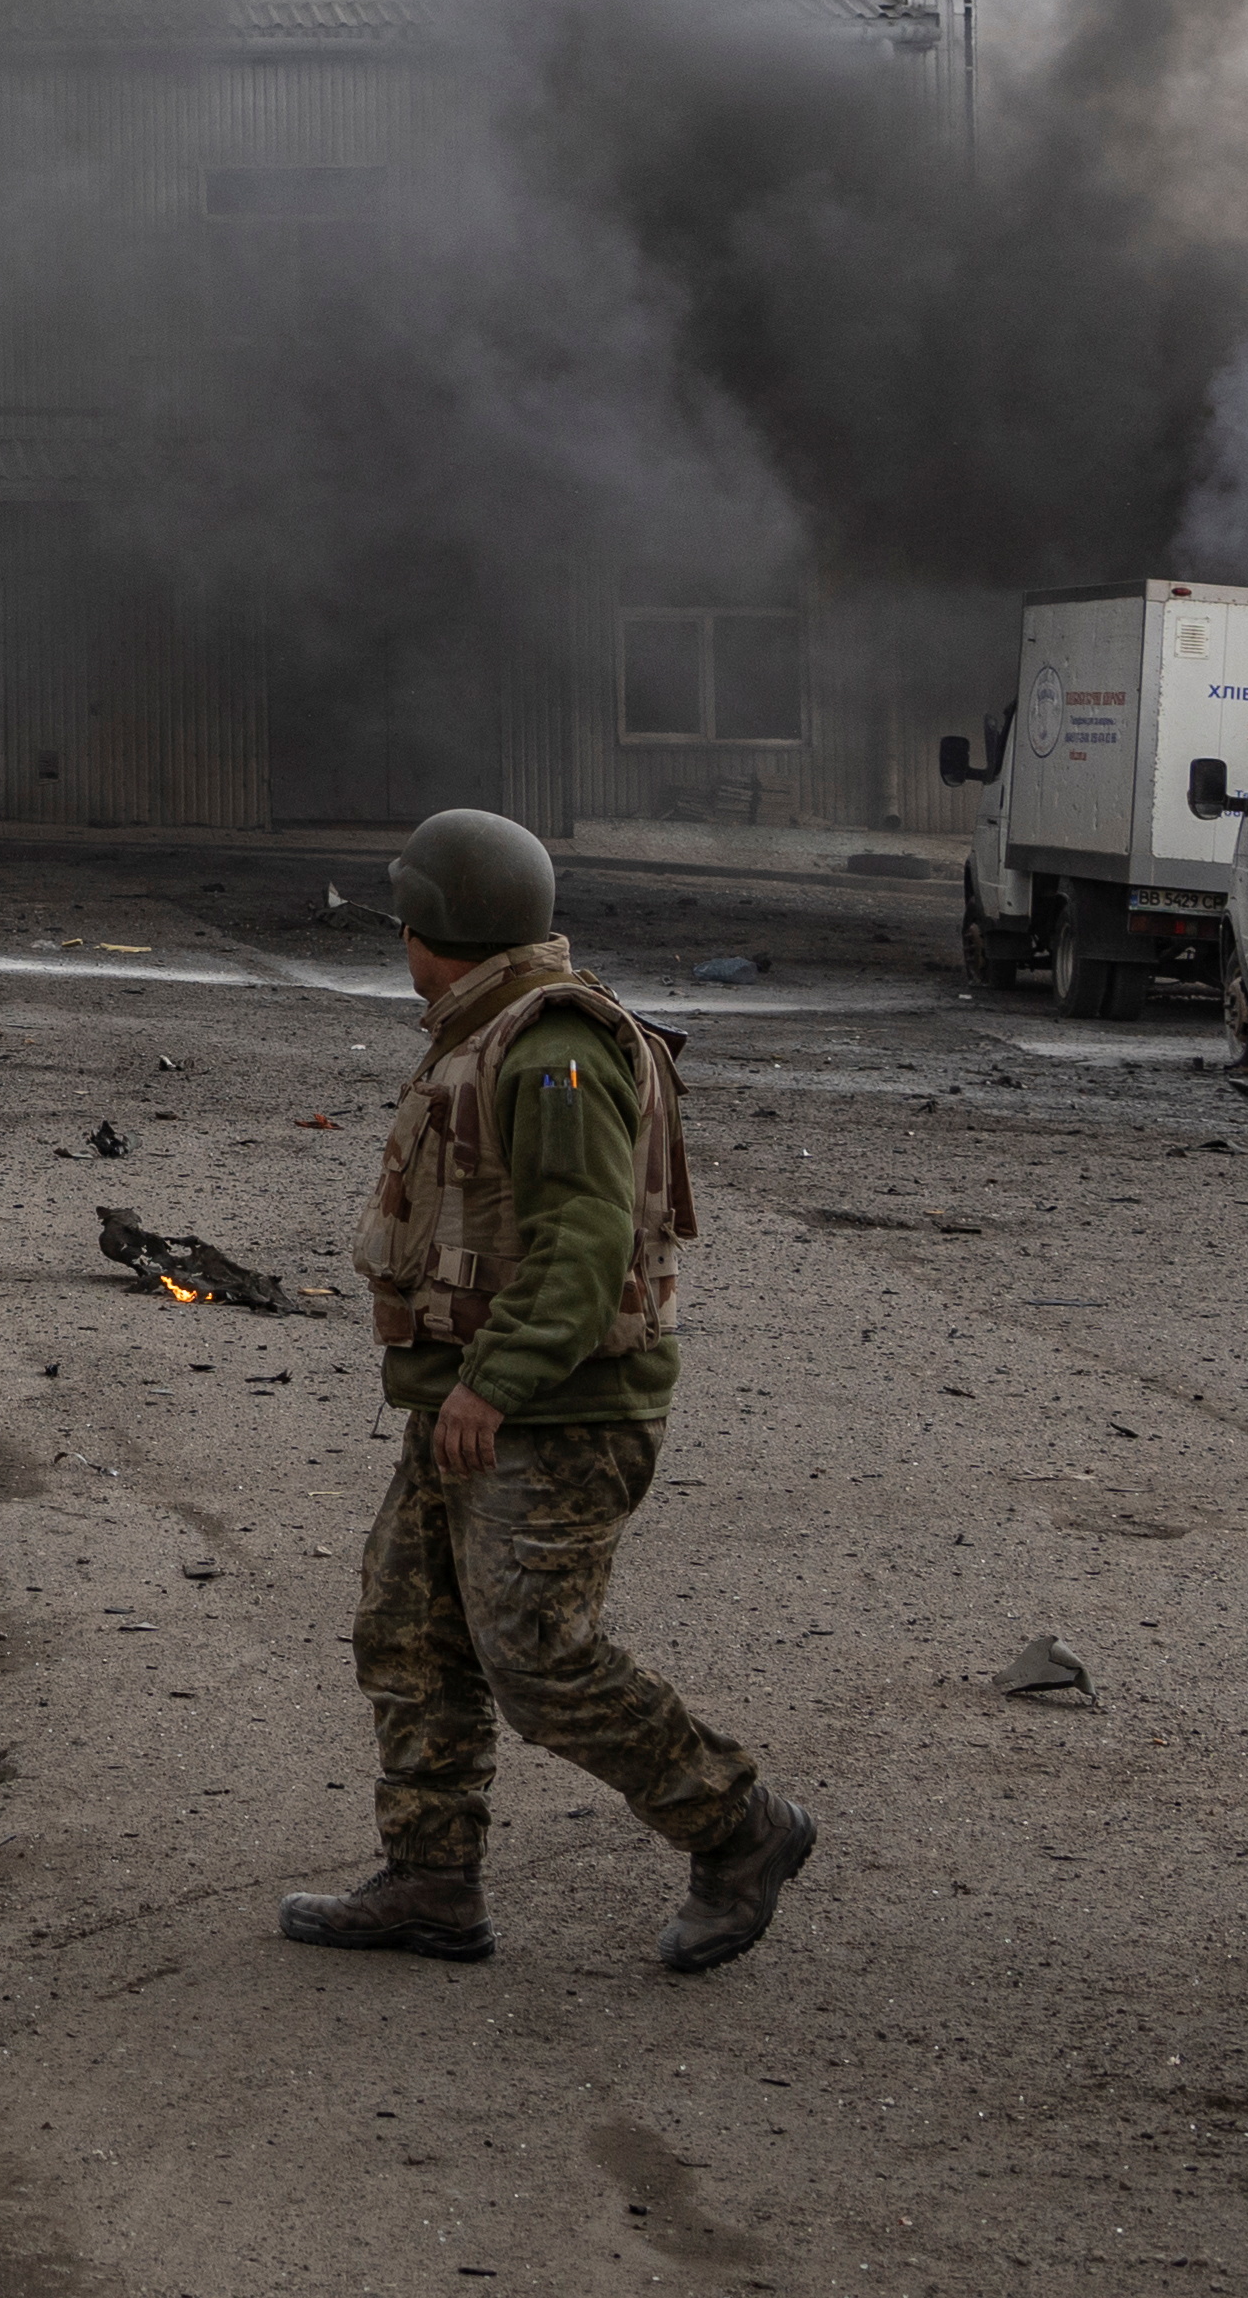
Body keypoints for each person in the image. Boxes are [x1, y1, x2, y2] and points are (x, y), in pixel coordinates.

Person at [278, 804, 817, 1973]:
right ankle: (432, 1880)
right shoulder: (489, 1029)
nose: (401, 940)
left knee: (538, 1654)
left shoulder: (550, 1053)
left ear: (439, 925)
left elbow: (582, 1251)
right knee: (413, 1632)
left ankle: (738, 1825)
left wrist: (496, 1384)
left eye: (407, 919)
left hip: (553, 1414)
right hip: (472, 1400)